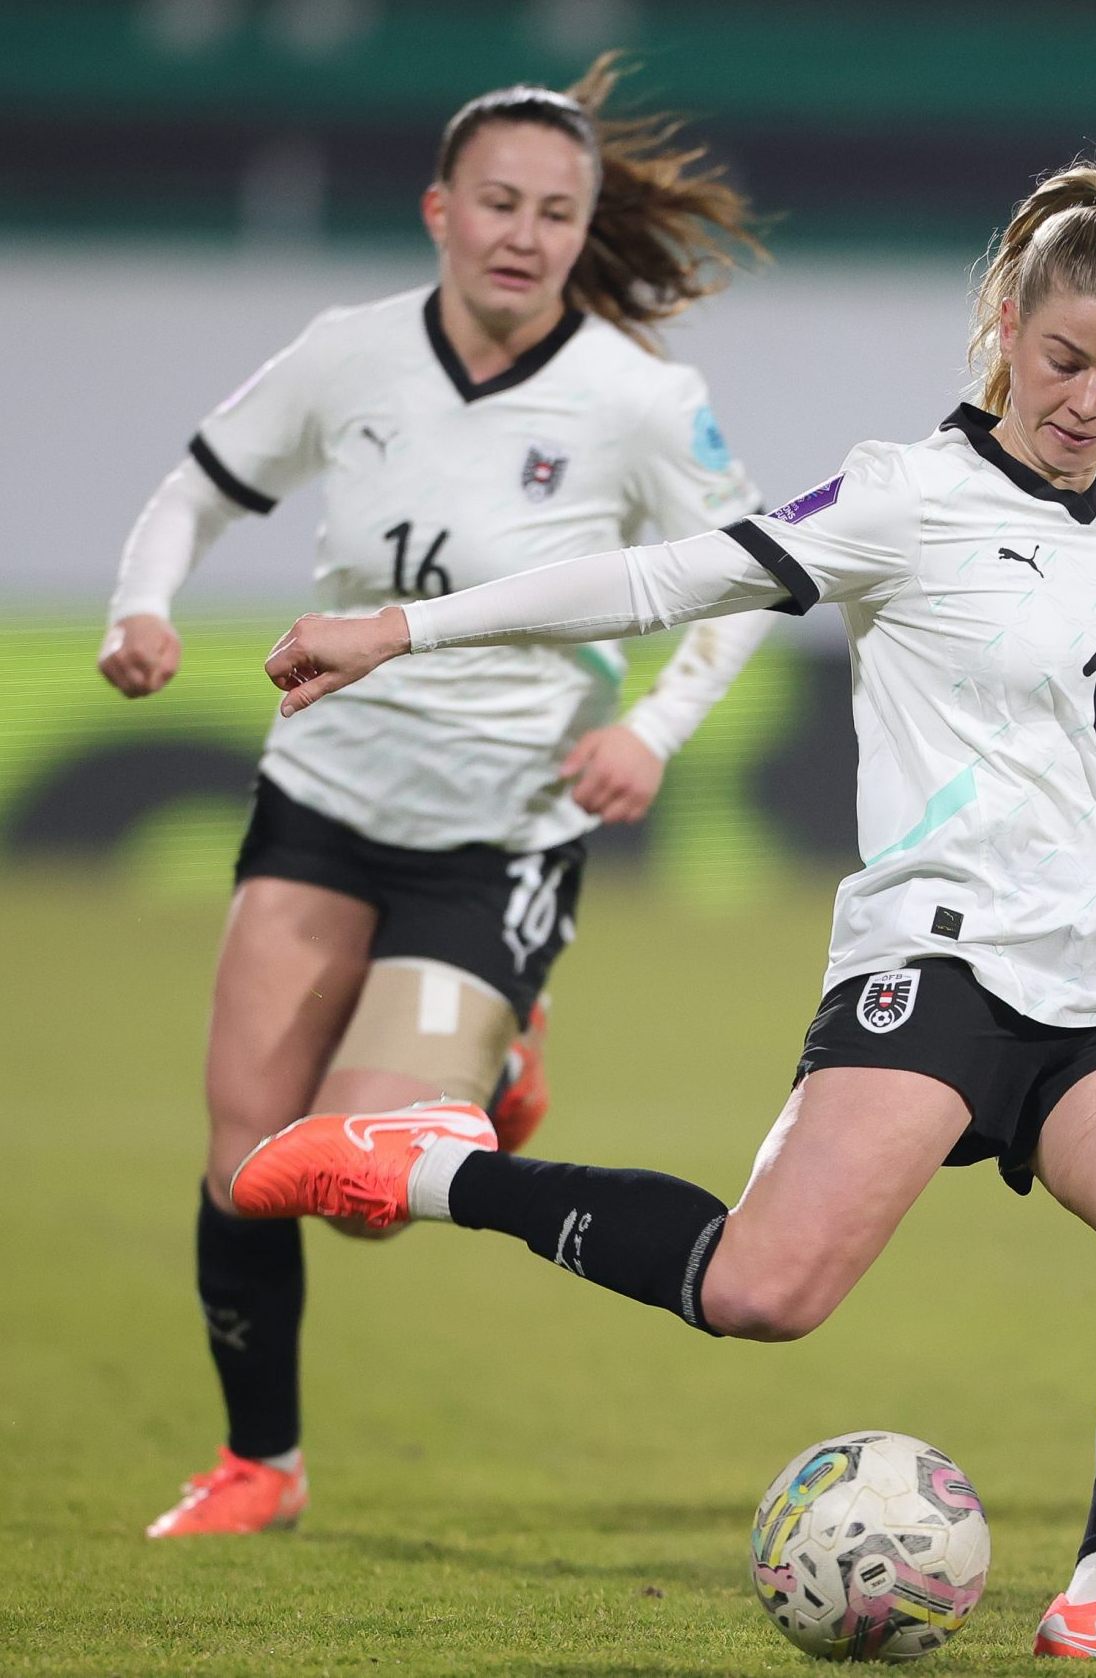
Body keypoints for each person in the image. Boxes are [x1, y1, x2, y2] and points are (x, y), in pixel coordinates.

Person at [232, 159, 1096, 1661]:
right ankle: (435, 1162)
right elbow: (661, 579)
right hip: (945, 965)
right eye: (1063, 362)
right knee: (763, 1290)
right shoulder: (903, 497)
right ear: (1004, 325)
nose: (1088, 402)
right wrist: (403, 626)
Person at [106, 57, 779, 1538]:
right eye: (498, 202)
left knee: (361, 1185)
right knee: (247, 1168)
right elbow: (198, 486)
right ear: (438, 209)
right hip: (323, 799)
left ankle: (497, 1045)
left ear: (582, 228)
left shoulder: (639, 401)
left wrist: (656, 728)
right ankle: (258, 1465)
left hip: (498, 831)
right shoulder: (347, 354)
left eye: (555, 210)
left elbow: (746, 577)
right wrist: (142, 606)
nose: (524, 233)